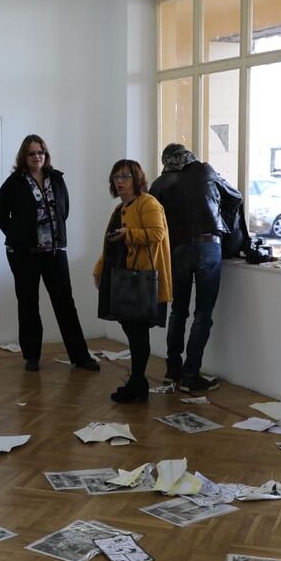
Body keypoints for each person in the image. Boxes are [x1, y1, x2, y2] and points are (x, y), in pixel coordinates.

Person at [0, 135, 99, 373]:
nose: (37, 157)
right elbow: (0, 216)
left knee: (65, 303)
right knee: (28, 304)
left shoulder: (57, 179)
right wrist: (18, 236)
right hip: (23, 254)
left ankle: (80, 356)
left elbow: (64, 210)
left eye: (40, 152)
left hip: (54, 251)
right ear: (24, 156)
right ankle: (32, 356)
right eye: (32, 153)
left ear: (46, 154)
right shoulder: (13, 183)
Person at [149, 142, 241, 392]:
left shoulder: (159, 184)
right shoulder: (205, 171)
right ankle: (191, 375)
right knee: (203, 314)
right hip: (208, 245)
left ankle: (172, 370)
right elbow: (235, 197)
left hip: (176, 250)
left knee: (178, 311)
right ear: (188, 156)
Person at [93, 159, 172, 403]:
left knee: (137, 333)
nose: (120, 182)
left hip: (141, 279)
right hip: (123, 278)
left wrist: (129, 234)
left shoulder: (148, 203)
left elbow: (157, 234)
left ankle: (138, 382)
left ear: (137, 179)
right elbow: (110, 244)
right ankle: (138, 382)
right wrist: (99, 269)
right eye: (116, 177)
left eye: (125, 176)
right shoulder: (120, 208)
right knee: (132, 330)